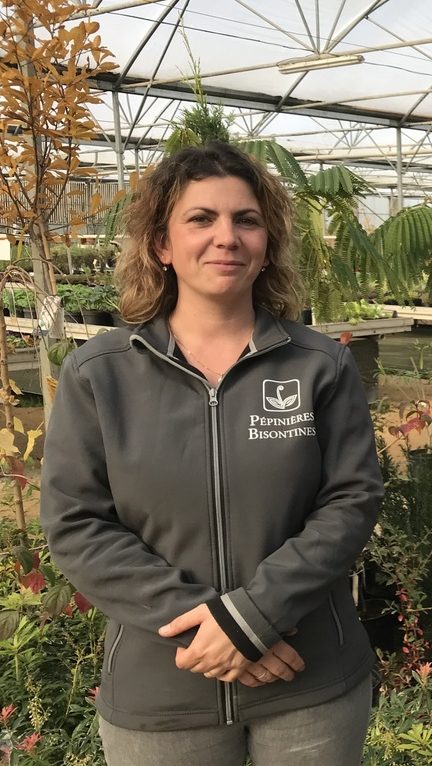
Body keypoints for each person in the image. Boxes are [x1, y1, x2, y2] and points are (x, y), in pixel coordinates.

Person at [40, 141, 383, 766]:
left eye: (245, 220)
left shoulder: (320, 366)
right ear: (161, 245)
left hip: (307, 682)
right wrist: (213, 626)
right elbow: (77, 523)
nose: (226, 236)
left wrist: (256, 618)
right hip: (165, 692)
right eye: (201, 218)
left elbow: (351, 500)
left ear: (267, 244)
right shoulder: (101, 375)